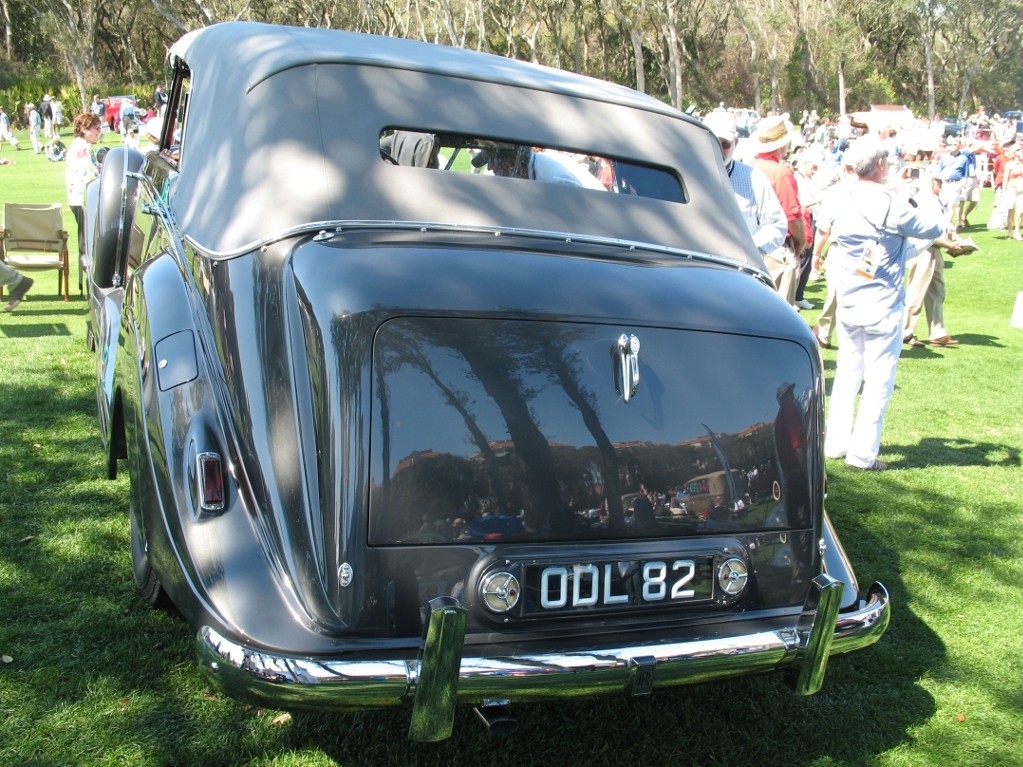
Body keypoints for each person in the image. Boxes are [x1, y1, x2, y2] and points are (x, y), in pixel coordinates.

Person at [822, 136, 944, 471]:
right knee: (878, 382)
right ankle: (862, 455)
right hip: (882, 305)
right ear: (879, 165)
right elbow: (934, 226)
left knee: (848, 374)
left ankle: (835, 443)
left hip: (850, 299)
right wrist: (926, 193)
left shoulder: (840, 199)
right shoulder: (892, 203)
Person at [702, 111, 788, 260]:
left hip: (740, 270)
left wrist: (747, 248)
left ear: (736, 143)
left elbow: (777, 225)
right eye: (712, 142)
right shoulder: (685, 173)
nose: (718, 150)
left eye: (724, 145)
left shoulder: (755, 179)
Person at [903, 174, 967, 348]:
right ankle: (905, 331)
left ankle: (937, 331)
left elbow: (943, 226)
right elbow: (927, 231)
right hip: (923, 249)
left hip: (935, 249)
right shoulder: (923, 200)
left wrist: (955, 241)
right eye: (937, 180)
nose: (941, 184)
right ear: (930, 181)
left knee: (937, 292)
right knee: (916, 292)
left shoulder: (936, 200)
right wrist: (950, 245)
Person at [750, 115, 806, 307]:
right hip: (776, 248)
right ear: (783, 145)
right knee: (779, 311)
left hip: (749, 245)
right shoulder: (780, 172)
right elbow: (793, 217)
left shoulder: (748, 165)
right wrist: (802, 242)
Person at [65, 112, 102, 260]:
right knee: (88, 240)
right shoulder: (84, 148)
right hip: (84, 199)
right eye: (96, 128)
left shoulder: (78, 145)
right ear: (84, 129)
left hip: (77, 198)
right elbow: (92, 176)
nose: (98, 132)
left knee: (85, 236)